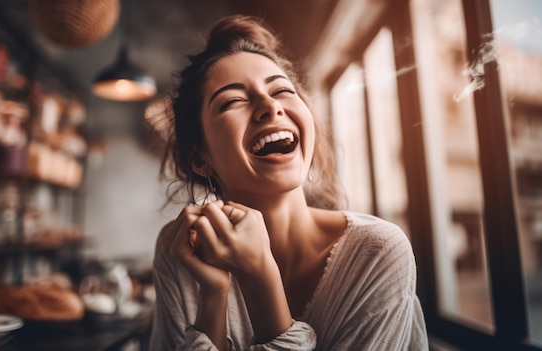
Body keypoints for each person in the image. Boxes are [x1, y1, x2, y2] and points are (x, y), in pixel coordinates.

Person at [150, 14, 428, 351]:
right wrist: (213, 294)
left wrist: (259, 275)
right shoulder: (179, 251)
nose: (269, 106)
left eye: (282, 90)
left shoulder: (378, 253)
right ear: (199, 158)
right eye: (233, 100)